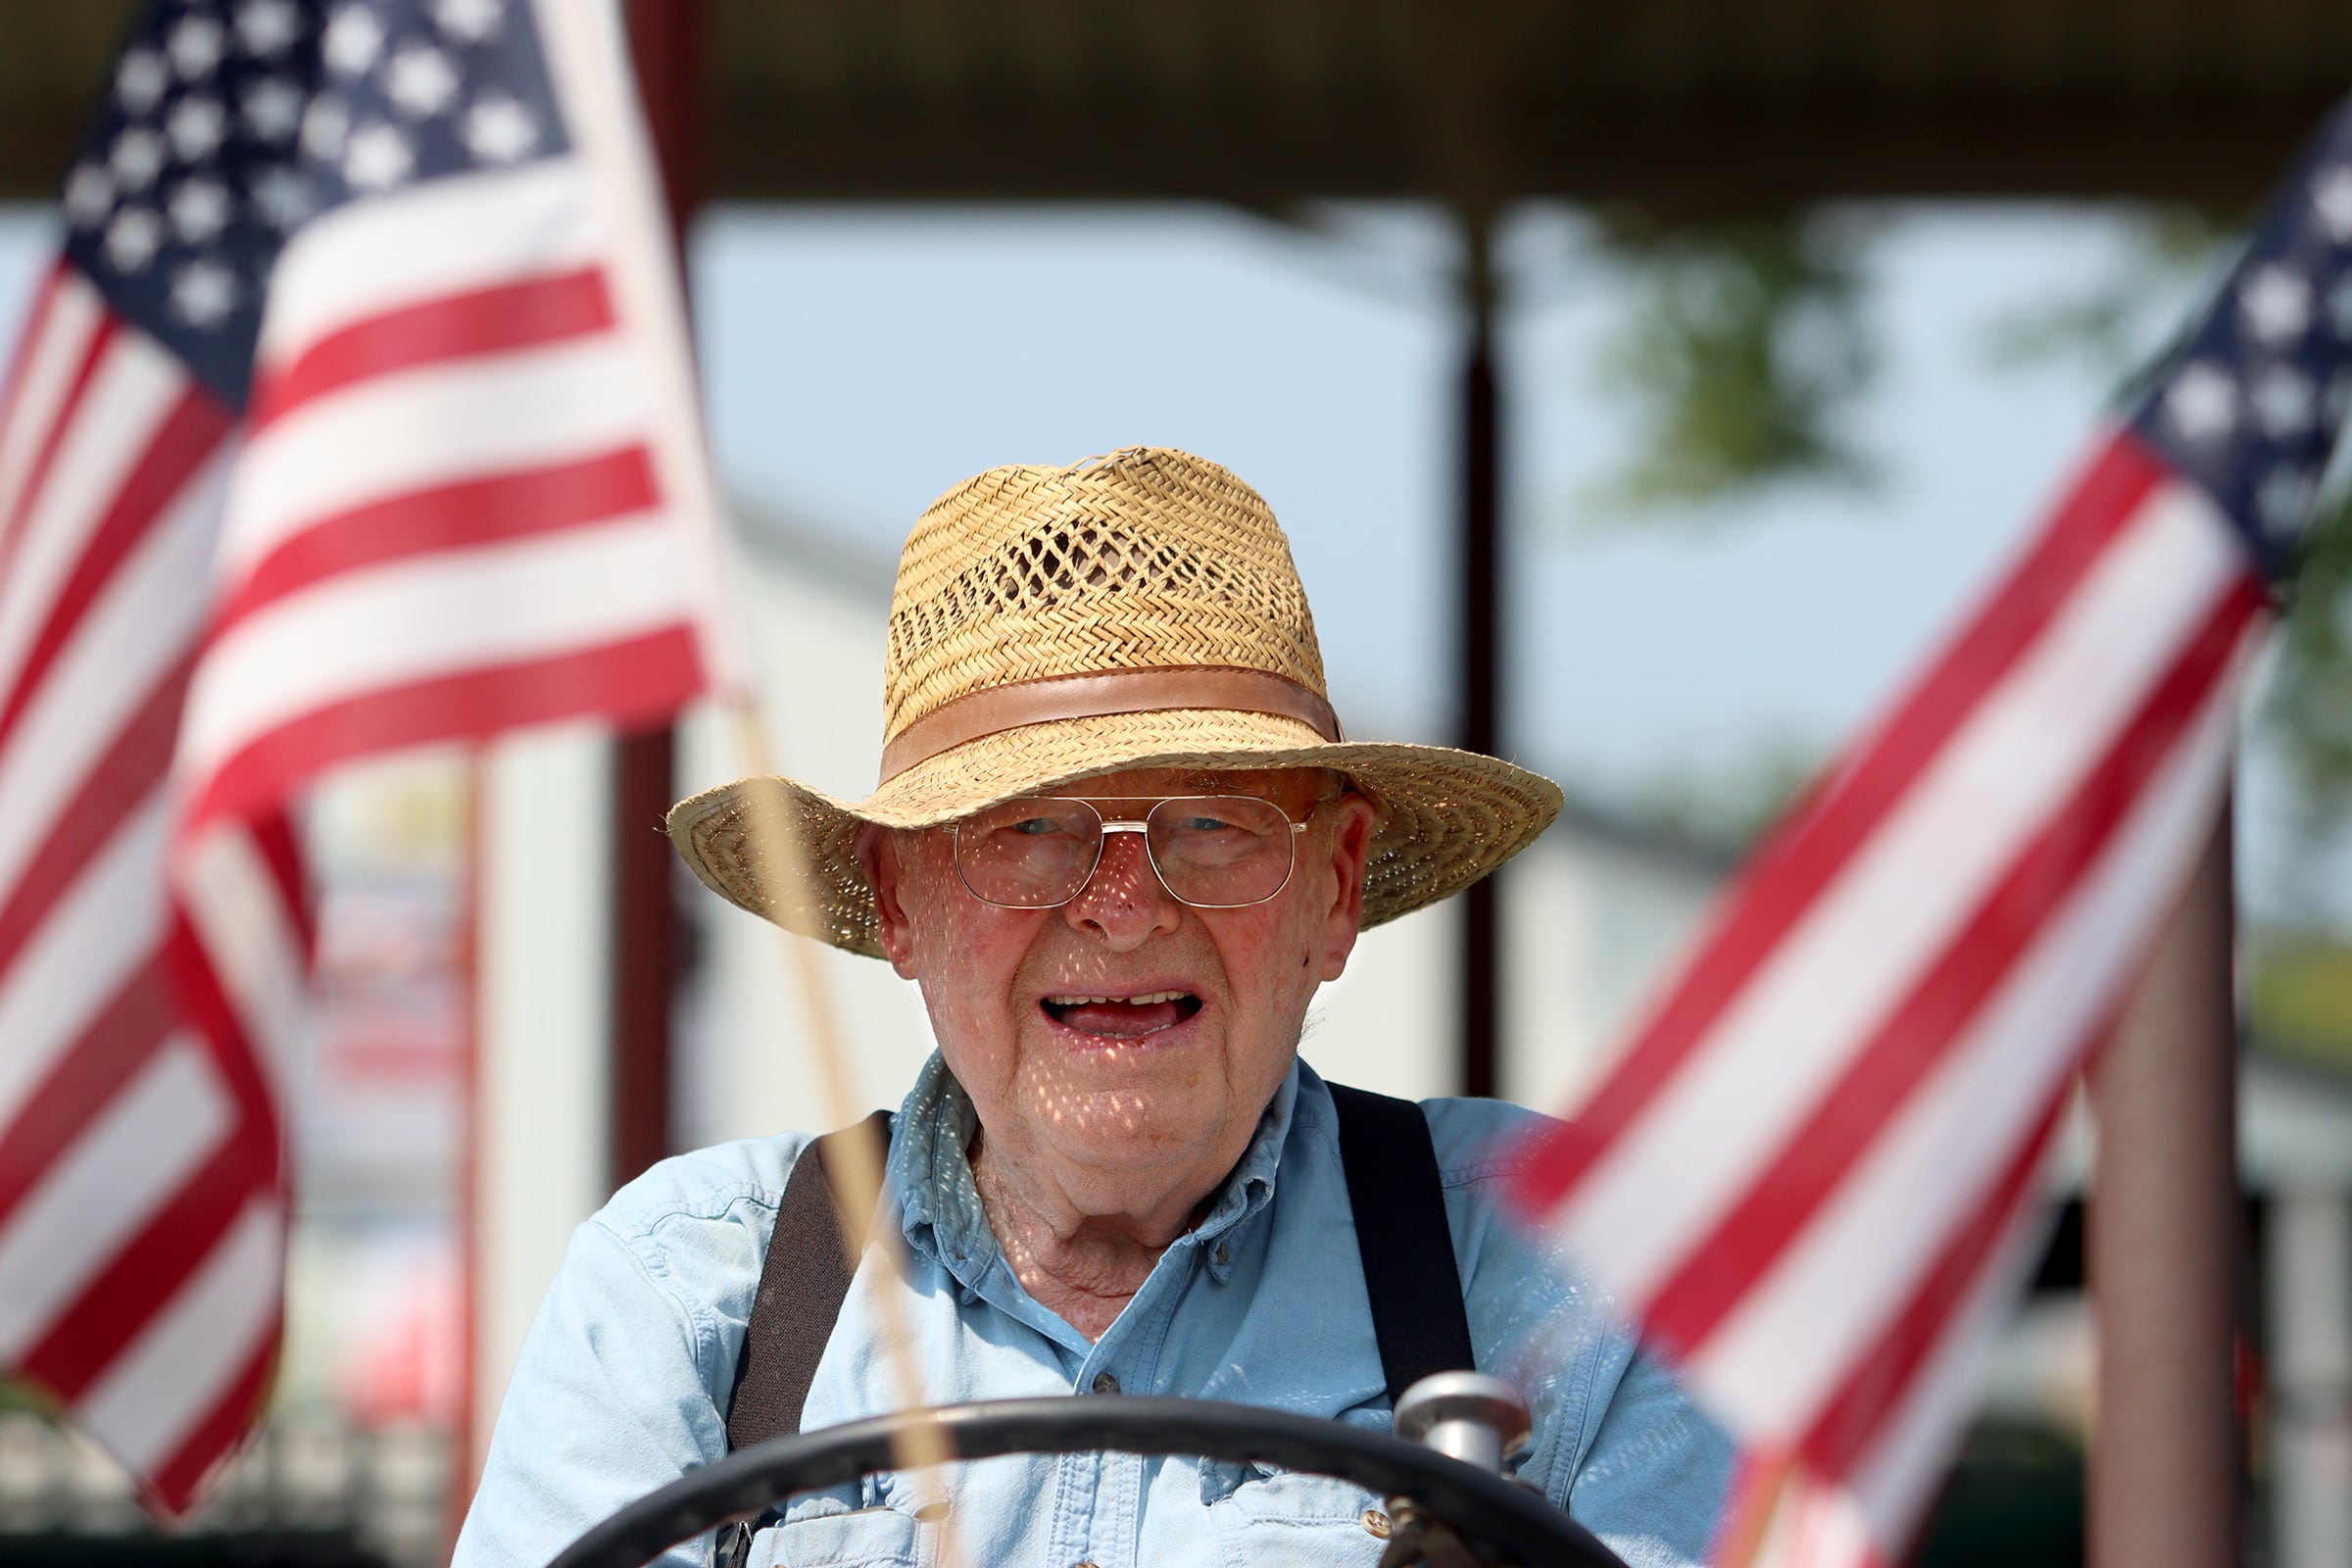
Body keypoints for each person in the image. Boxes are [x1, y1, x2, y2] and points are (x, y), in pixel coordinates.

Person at [453, 447, 1732, 1567]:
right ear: (899, 901)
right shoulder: (692, 1292)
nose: (1124, 906)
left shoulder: (1567, 1272)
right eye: (1028, 830)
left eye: (1215, 823)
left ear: (1332, 896)